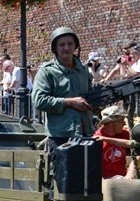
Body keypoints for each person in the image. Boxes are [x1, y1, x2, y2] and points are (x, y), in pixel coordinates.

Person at [32, 27, 93, 157]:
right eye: (62, 45)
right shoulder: (47, 72)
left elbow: (89, 96)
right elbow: (39, 100)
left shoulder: (83, 70)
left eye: (70, 44)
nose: (66, 48)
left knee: (87, 175)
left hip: (84, 133)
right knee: (62, 176)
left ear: (75, 46)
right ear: (55, 48)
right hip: (60, 135)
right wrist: (69, 102)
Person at [94, 105, 134, 179]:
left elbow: (138, 150)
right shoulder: (96, 140)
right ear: (112, 123)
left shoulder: (125, 135)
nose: (124, 123)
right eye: (122, 120)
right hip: (105, 181)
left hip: (124, 178)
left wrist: (130, 173)